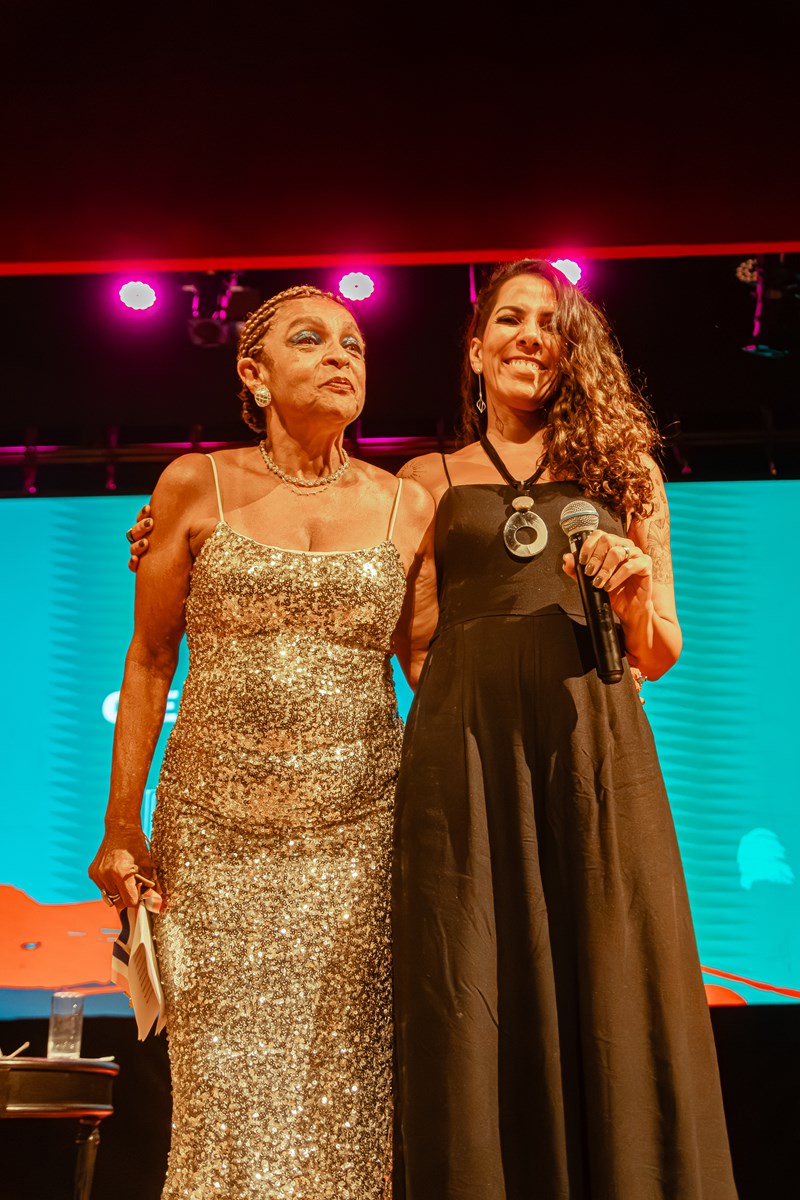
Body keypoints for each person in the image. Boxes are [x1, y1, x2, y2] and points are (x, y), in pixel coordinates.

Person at [128, 261, 738, 1198]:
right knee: (461, 995)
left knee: (602, 987)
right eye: (511, 319)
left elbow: (652, 651)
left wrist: (629, 596)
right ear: (476, 348)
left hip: (563, 764)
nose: (531, 336)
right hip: (439, 772)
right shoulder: (421, 482)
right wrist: (166, 535)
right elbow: (400, 637)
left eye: (552, 323)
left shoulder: (614, 476)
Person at [89, 284, 435, 1200]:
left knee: (344, 1105)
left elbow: (437, 676)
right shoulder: (192, 484)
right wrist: (122, 826)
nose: (340, 355)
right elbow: (150, 659)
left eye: (354, 344)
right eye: (310, 339)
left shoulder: (407, 506)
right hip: (213, 841)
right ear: (254, 372)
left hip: (359, 842)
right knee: (224, 1109)